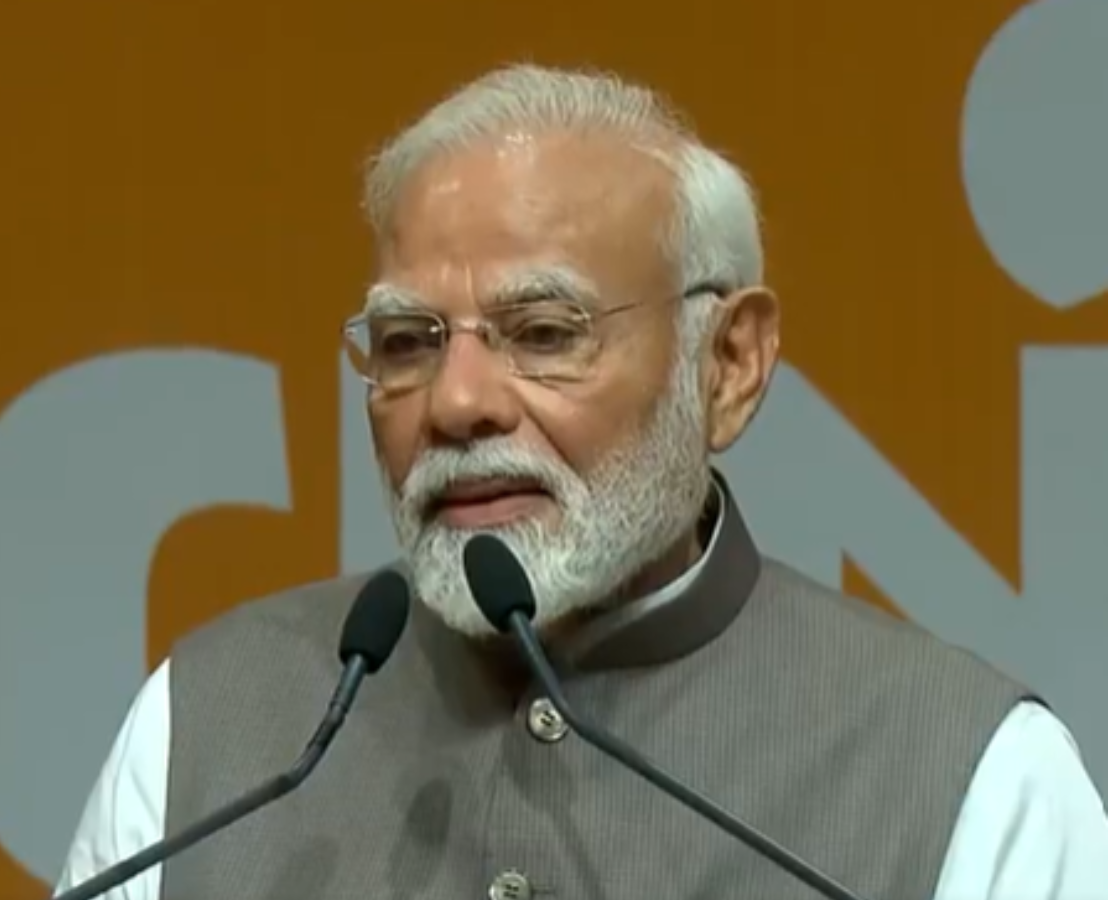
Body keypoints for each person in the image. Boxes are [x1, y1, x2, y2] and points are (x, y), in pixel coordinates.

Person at [55, 64, 1108, 899]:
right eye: (407, 341)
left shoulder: (967, 772)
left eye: (544, 332)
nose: (457, 402)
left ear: (728, 365)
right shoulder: (210, 728)